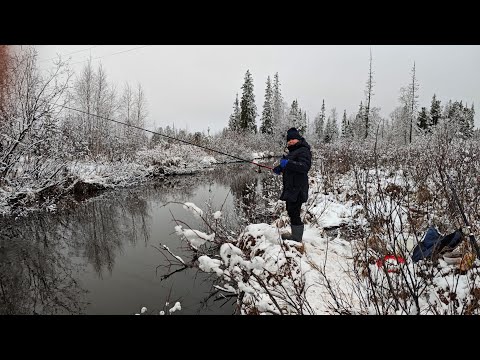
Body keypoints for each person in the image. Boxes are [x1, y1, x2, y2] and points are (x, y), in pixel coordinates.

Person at [272, 127, 312, 242]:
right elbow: (291, 167)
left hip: (298, 188)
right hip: (291, 188)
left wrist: (288, 163)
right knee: (291, 210)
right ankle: (295, 235)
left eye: (292, 139)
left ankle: (297, 238)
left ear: (298, 139)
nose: (290, 142)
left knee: (294, 212)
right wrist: (280, 168)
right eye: (288, 140)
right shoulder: (293, 152)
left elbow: (304, 167)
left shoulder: (304, 150)